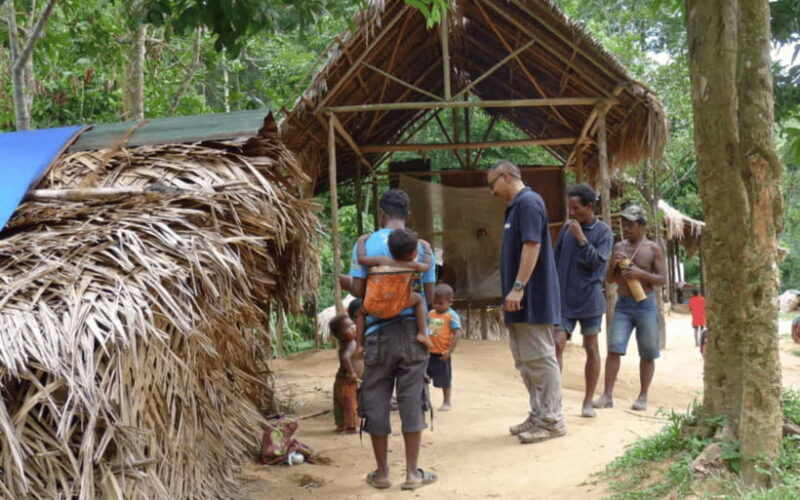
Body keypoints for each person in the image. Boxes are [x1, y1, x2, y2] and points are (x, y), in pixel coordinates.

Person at [341, 188, 437, 491]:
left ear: (381, 214)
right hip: (411, 332)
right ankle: (412, 474)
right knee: (411, 400)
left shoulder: (367, 244)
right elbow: (430, 295)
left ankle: (382, 473)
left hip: (375, 333)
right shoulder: (421, 247)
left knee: (377, 400)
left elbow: (357, 291)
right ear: (407, 214)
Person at [487, 160, 565, 444]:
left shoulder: (530, 203)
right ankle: (538, 413)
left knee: (541, 359)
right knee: (525, 361)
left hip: (533, 297)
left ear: (506, 177)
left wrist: (519, 287)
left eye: (492, 183)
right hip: (519, 300)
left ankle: (552, 420)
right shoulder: (516, 207)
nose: (492, 191)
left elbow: (533, 245)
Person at [594, 205, 666, 412]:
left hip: (646, 305)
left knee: (648, 352)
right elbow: (609, 280)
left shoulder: (653, 249)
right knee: (614, 348)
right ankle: (607, 395)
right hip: (623, 305)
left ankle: (643, 395)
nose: (626, 228)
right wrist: (612, 266)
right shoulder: (619, 248)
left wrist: (640, 274)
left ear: (642, 225)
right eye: (623, 224)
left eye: (631, 225)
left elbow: (662, 279)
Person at [553, 184, 613, 418]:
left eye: (576, 208)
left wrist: (581, 239)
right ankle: (554, 400)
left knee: (591, 348)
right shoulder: (566, 230)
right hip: (564, 300)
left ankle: (587, 402)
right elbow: (555, 262)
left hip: (590, 300)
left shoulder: (604, 233)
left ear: (589, 207)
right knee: (557, 343)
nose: (572, 213)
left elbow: (598, 263)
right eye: (570, 208)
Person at [355, 228, 434, 352]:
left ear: (390, 250)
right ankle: (423, 333)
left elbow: (361, 259)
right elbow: (427, 266)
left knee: (360, 313)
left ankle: (359, 345)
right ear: (414, 253)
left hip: (374, 304)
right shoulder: (413, 264)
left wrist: (360, 242)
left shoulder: (381, 259)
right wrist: (428, 249)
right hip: (398, 304)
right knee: (418, 300)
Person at [426, 283, 462, 412]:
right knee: (424, 378)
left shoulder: (451, 316)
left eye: (440, 303)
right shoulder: (430, 314)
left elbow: (457, 333)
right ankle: (425, 401)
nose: (437, 306)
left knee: (445, 379)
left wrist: (449, 351)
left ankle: (447, 402)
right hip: (428, 353)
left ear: (450, 302)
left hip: (442, 354)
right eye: (435, 303)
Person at [330, 314, 361, 433]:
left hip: (343, 381)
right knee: (350, 403)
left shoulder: (351, 343)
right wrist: (352, 372)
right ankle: (352, 426)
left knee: (341, 403)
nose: (353, 328)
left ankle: (342, 424)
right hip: (347, 381)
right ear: (339, 336)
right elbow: (345, 358)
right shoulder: (349, 345)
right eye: (348, 328)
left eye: (353, 325)